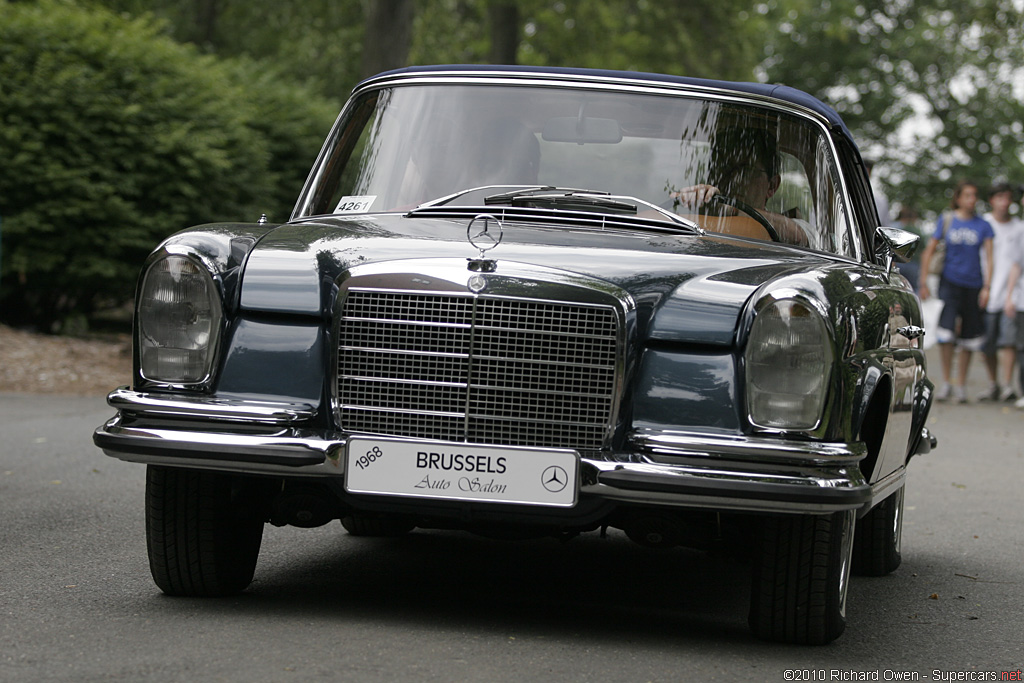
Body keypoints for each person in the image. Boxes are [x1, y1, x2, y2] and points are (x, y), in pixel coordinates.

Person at [669, 126, 811, 246]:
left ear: (772, 186)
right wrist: (687, 202)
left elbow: (797, 235)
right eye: (724, 169)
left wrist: (730, 209)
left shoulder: (797, 228)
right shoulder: (690, 220)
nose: (733, 179)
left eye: (745, 171)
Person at [918, 180, 995, 403]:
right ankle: (946, 382)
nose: (972, 200)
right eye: (968, 195)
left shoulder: (983, 225)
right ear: (959, 198)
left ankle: (961, 384)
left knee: (969, 338)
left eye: (975, 195)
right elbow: (928, 252)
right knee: (946, 334)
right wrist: (923, 282)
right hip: (949, 283)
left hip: (974, 285)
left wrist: (987, 287)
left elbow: (990, 258)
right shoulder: (947, 220)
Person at [977, 183, 1023, 401]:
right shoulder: (983, 224)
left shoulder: (1019, 227)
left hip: (1011, 293)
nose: (1005, 202)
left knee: (1008, 341)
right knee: (987, 343)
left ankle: (1007, 385)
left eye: (1008, 198)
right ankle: (993, 383)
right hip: (986, 290)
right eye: (1000, 197)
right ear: (992, 200)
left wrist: (1011, 294)